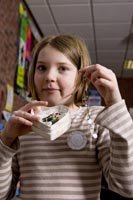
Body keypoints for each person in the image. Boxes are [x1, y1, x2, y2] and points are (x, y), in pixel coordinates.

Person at [0, 34, 133, 200]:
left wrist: (115, 104)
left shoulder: (96, 120)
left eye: (62, 68)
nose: (49, 77)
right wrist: (5, 140)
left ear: (81, 76)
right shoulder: (22, 124)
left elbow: (127, 186)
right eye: (42, 68)